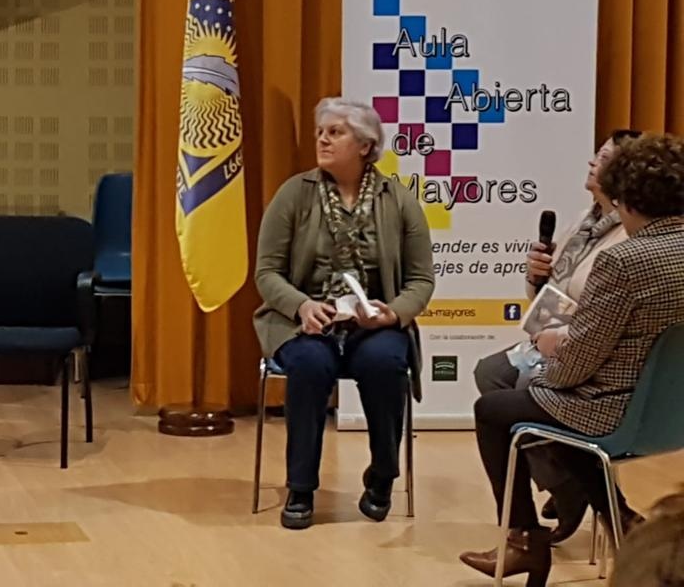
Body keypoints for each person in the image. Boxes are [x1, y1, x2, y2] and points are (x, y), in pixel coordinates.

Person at [459, 133, 684, 585]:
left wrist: (547, 359)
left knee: (496, 408)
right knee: (558, 414)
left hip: (618, 411)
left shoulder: (623, 260)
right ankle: (620, 519)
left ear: (625, 200)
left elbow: (576, 364)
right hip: (671, 414)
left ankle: (524, 539)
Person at [253, 98, 435, 529]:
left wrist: (392, 314)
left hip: (372, 324)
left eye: (335, 132)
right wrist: (302, 305)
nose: (322, 139)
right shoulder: (294, 194)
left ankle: (383, 476)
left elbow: (421, 280)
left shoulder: (399, 200)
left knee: (385, 362)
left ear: (365, 145)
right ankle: (301, 487)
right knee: (310, 365)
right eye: (321, 131)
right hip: (305, 322)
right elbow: (266, 272)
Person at [473, 129, 640, 543]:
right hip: (555, 336)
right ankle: (567, 483)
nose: (591, 163)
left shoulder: (629, 238)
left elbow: (601, 313)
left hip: (587, 349)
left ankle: (555, 505)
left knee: (524, 390)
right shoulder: (584, 223)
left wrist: (560, 341)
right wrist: (536, 277)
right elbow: (550, 297)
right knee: (490, 372)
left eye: (603, 159)